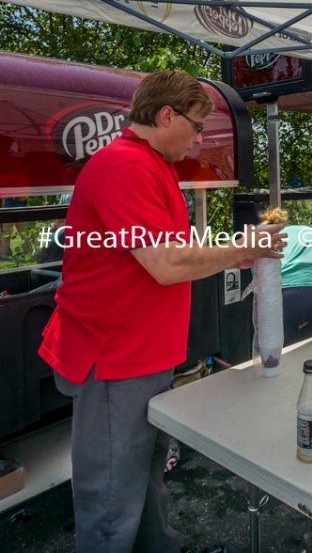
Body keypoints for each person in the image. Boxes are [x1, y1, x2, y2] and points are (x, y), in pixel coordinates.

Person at [37, 70, 286, 552]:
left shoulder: (152, 166)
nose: (198, 139)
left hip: (141, 356)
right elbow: (167, 264)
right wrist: (242, 248)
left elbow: (172, 253)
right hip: (114, 358)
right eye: (195, 126)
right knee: (111, 498)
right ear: (166, 114)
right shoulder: (125, 167)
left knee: (143, 480)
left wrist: (238, 252)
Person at [258, 207, 312, 346]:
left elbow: (260, 283)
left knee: (287, 355)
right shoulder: (306, 230)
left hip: (288, 293)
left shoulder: (261, 241)